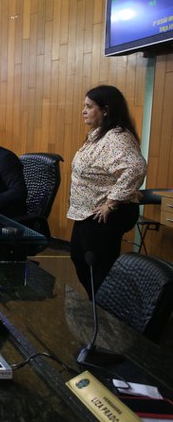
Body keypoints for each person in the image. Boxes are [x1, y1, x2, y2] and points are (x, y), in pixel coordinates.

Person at [67, 85, 146, 296]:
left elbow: (136, 168)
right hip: (87, 211)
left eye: (89, 106)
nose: (83, 111)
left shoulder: (117, 137)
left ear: (106, 110)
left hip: (104, 213)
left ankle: (109, 308)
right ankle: (98, 303)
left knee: (99, 266)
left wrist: (111, 203)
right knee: (79, 257)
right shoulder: (99, 135)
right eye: (84, 106)